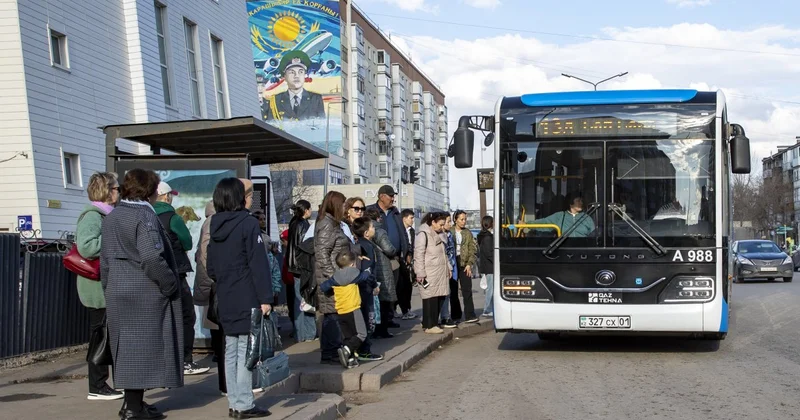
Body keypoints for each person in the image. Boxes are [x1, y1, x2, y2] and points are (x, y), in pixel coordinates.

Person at [100, 168, 182, 420]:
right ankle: (133, 409)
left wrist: (109, 288)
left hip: (118, 289)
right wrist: (169, 284)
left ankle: (133, 402)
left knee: (127, 350)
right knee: (145, 349)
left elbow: (105, 261)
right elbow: (151, 257)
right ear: (150, 191)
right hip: (145, 291)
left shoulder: (112, 216)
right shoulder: (144, 216)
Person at [206, 178, 273, 419]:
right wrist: (266, 298)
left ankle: (235, 402)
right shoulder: (248, 223)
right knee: (246, 351)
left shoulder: (214, 225)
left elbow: (210, 266)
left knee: (231, 349)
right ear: (238, 198)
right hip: (247, 294)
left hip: (225, 294)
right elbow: (258, 264)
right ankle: (244, 404)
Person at [75, 172, 123, 401]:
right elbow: (86, 247)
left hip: (105, 286)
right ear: (106, 190)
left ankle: (104, 384)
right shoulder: (93, 216)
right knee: (100, 338)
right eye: (116, 188)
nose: (119, 192)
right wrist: (115, 238)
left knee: (107, 336)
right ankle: (97, 386)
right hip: (96, 289)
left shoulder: (106, 214)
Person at [153, 181, 208, 376]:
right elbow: (187, 242)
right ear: (166, 196)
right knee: (186, 315)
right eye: (170, 195)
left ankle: (161, 361)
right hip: (175, 272)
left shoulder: (146, 215)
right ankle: (185, 361)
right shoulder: (173, 217)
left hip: (153, 274)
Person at [193, 201, 229, 396]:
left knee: (214, 319)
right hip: (211, 281)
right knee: (216, 320)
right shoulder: (213, 221)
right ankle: (220, 360)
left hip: (207, 279)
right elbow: (206, 251)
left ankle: (218, 354)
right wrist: (215, 274)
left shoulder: (209, 221)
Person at [314, 191, 350, 365]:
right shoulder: (327, 224)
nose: (345, 208)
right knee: (333, 314)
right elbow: (322, 254)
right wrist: (334, 276)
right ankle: (333, 351)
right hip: (331, 278)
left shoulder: (333, 223)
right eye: (343, 205)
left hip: (334, 276)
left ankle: (330, 352)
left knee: (332, 314)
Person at [319, 250, 371, 369]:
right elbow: (365, 276)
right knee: (361, 334)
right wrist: (368, 268)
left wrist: (332, 288)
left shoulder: (335, 278)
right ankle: (346, 350)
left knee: (349, 336)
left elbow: (324, 287)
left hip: (341, 311)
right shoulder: (355, 275)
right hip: (354, 309)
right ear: (352, 264)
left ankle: (350, 360)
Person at [366, 185, 409, 322]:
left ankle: (389, 318)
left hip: (396, 258)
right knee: (383, 289)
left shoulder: (395, 213)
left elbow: (403, 233)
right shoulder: (371, 211)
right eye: (390, 196)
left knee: (393, 288)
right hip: (380, 258)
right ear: (381, 196)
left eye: (393, 196)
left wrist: (407, 250)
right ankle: (382, 321)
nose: (393, 199)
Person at [350, 216, 383, 361]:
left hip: (361, 287)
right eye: (372, 227)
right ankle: (365, 351)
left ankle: (360, 349)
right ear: (366, 233)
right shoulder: (367, 247)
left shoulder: (358, 244)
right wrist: (374, 284)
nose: (374, 229)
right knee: (368, 319)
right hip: (366, 288)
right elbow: (368, 269)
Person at [285, 200, 316, 343]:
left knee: (299, 300)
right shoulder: (303, 225)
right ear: (306, 210)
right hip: (303, 266)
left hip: (294, 266)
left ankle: (301, 333)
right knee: (306, 299)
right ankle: (308, 333)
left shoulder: (293, 223)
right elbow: (306, 246)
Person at [365, 208, 399, 338]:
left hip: (371, 266)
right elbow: (389, 249)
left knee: (375, 300)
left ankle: (374, 329)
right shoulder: (379, 230)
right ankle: (382, 330)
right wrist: (394, 251)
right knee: (384, 299)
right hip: (382, 266)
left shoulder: (364, 230)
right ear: (378, 218)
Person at [414, 212, 450, 334]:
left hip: (439, 271)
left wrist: (448, 267)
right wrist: (420, 272)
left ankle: (432, 322)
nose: (442, 227)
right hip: (429, 273)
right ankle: (430, 325)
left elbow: (444, 254)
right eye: (440, 224)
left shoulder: (439, 234)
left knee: (439, 297)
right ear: (433, 222)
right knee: (430, 298)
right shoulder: (423, 234)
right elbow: (418, 255)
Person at [264, 50, 326, 121]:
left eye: (301, 72)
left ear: (304, 75)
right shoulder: (274, 101)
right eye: (292, 72)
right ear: (285, 76)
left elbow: (322, 124)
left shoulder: (316, 99)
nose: (296, 76)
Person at [451, 210, 478, 324]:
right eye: (461, 219)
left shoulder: (468, 233)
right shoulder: (450, 231)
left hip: (465, 263)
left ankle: (470, 314)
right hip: (453, 263)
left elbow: (473, 249)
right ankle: (455, 315)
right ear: (455, 219)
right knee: (453, 290)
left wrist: (469, 264)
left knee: (467, 289)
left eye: (465, 219)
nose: (464, 221)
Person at [439, 214, 458, 329]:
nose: (450, 224)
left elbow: (452, 252)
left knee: (448, 292)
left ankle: (446, 316)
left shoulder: (450, 235)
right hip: (443, 267)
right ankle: (443, 317)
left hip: (452, 266)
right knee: (443, 293)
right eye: (448, 222)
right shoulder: (439, 235)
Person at [398, 208, 416, 320]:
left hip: (409, 262)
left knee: (408, 286)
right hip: (400, 261)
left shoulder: (412, 231)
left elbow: (411, 245)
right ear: (404, 218)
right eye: (411, 218)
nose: (412, 220)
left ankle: (407, 309)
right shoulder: (399, 230)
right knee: (400, 287)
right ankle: (402, 310)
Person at [477, 216, 495, 317]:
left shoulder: (483, 236)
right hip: (490, 267)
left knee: (490, 288)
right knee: (490, 289)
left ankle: (489, 308)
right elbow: (490, 254)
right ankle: (487, 309)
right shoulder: (488, 238)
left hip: (487, 266)